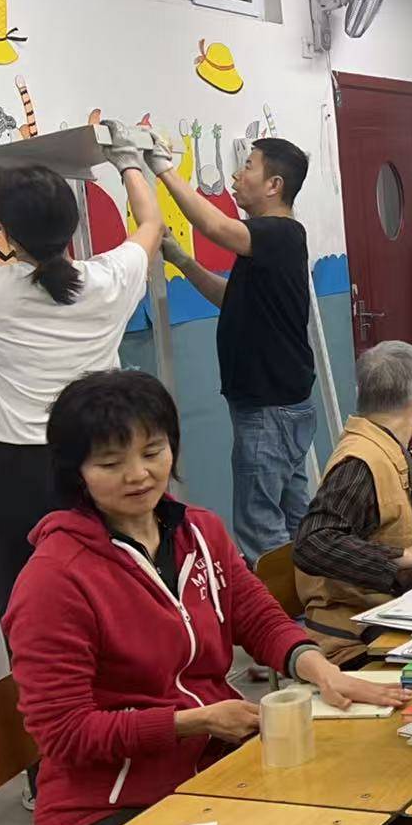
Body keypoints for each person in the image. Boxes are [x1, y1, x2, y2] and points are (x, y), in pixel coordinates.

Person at [3, 370, 406, 825]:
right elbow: (66, 734)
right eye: (110, 463)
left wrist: (320, 669)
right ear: (77, 473)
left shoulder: (198, 531)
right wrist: (193, 722)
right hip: (108, 809)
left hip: (211, 769)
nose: (138, 475)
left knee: (353, 808)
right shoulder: (55, 580)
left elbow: (257, 617)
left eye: (153, 452)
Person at [0, 121, 163, 615]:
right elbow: (151, 226)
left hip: (16, 474)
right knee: (111, 606)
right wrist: (128, 162)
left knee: (27, 610)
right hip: (97, 463)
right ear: (72, 222)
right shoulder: (107, 280)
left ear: (5, 230)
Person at [153, 136, 317, 563]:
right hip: (277, 405)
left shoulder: (279, 233)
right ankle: (312, 593)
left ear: (274, 185)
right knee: (294, 517)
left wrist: (163, 169)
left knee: (259, 525)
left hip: (269, 408)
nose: (236, 176)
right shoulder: (269, 245)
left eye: (248, 166)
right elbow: (231, 298)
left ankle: (279, 606)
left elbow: (216, 227)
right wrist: (182, 260)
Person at [292, 341, 412, 664]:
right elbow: (312, 542)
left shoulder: (393, 450)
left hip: (402, 610)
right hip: (356, 636)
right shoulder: (360, 461)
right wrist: (407, 556)